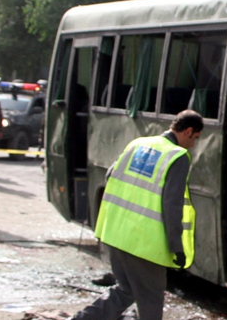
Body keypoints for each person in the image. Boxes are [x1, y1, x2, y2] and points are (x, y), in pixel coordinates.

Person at [71, 109, 203, 320]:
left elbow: (110, 175)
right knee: (150, 299)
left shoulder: (138, 144)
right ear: (188, 131)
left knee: (126, 290)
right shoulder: (178, 156)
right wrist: (176, 247)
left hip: (116, 233)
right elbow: (172, 204)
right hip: (144, 243)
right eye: (195, 138)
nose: (194, 144)